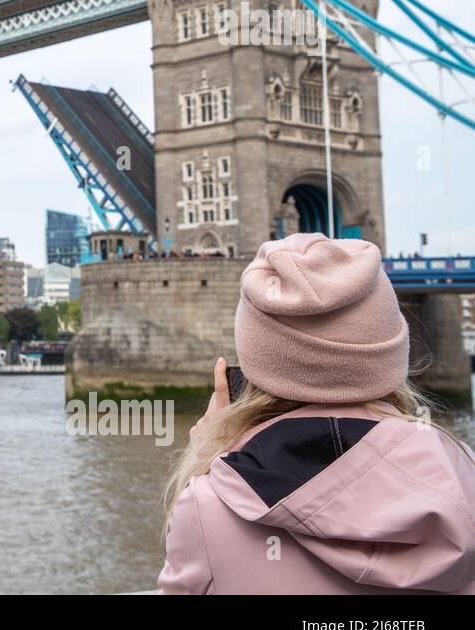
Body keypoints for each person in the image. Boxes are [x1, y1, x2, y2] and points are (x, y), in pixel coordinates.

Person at [159, 233, 475, 595]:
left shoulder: (209, 507)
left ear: (251, 369)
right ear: (389, 353)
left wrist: (205, 455)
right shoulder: (463, 476)